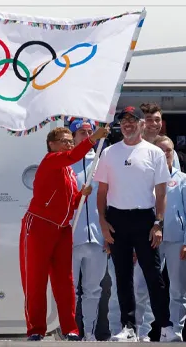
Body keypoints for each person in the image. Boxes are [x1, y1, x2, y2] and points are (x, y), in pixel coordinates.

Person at [92, 106, 179, 342]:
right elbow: (102, 191)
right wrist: (102, 221)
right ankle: (127, 326)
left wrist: (158, 223)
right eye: (124, 121)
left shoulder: (154, 153)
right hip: (117, 219)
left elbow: (161, 192)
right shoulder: (109, 153)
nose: (127, 125)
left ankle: (165, 326)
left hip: (145, 219)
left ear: (142, 124)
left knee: (153, 276)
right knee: (122, 276)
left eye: (132, 120)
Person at [19, 125, 109, 341]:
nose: (69, 144)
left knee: (65, 281)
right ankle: (36, 329)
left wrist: (81, 195)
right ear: (52, 144)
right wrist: (93, 138)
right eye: (64, 140)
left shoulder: (67, 170)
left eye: (70, 140)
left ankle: (70, 328)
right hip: (39, 226)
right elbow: (71, 155)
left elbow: (69, 201)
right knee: (36, 280)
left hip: (61, 228)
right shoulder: (51, 160)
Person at [136, 135, 186, 341]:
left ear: (173, 153)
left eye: (168, 151)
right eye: (159, 151)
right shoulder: (144, 178)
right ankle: (142, 332)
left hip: (177, 241)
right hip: (150, 241)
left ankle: (175, 332)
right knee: (144, 286)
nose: (164, 154)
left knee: (178, 289)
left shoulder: (183, 179)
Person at [68, 119, 107, 342]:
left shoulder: (101, 163)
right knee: (69, 290)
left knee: (93, 290)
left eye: (89, 132)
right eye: (81, 132)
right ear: (74, 136)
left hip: (97, 238)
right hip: (71, 237)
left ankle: (89, 333)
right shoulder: (65, 163)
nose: (86, 135)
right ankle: (70, 331)